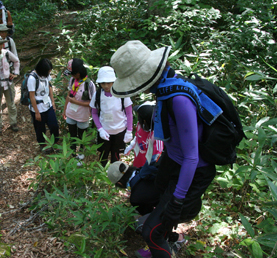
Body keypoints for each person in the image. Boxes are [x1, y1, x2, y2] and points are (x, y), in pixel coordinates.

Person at [110, 40, 217, 257]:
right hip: (173, 164)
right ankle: (163, 248)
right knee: (155, 216)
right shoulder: (165, 91)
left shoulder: (177, 98)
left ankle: (161, 247)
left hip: (191, 171)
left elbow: (191, 157)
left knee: (152, 232)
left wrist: (177, 199)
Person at [107, 161, 186, 258]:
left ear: (119, 183)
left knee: (143, 224)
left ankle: (171, 242)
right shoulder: (146, 169)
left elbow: (152, 214)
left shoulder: (136, 198)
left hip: (176, 208)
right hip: (184, 195)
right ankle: (175, 238)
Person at [89, 66, 133, 167]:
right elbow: (94, 113)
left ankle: (115, 174)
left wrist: (129, 131)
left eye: (109, 82)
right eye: (103, 83)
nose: (106, 86)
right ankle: (102, 174)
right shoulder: (98, 95)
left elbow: (129, 113)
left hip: (119, 131)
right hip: (105, 132)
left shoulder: (122, 94)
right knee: (103, 155)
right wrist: (100, 129)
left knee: (116, 156)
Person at [62, 58, 96, 163]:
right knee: (72, 135)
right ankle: (72, 153)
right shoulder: (72, 80)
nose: (71, 76)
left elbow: (92, 103)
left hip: (82, 116)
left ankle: (81, 154)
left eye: (72, 74)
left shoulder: (89, 85)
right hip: (71, 113)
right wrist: (64, 110)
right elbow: (69, 96)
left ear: (78, 73)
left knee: (81, 137)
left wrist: (77, 102)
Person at [28, 58, 59, 153]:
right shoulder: (32, 78)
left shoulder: (46, 75)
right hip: (37, 108)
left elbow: (49, 87)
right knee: (40, 128)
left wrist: (52, 102)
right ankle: (42, 144)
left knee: (54, 125)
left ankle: (55, 143)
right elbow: (32, 96)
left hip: (47, 105)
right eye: (48, 72)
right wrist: (37, 112)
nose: (49, 73)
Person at [124, 102, 164, 168]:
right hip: (139, 159)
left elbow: (157, 156)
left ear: (144, 120)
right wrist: (131, 146)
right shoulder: (140, 125)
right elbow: (137, 137)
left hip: (148, 167)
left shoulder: (157, 136)